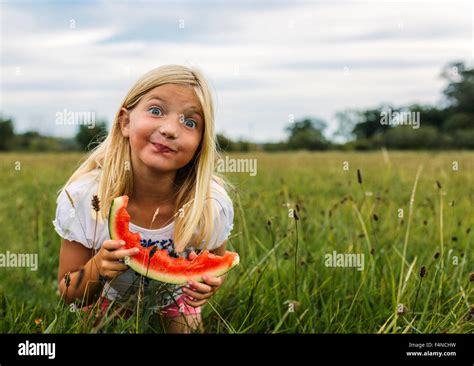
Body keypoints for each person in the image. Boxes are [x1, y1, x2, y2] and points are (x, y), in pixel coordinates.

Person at [53, 65, 235, 333]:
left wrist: (207, 285)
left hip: (175, 299)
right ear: (125, 122)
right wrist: (97, 269)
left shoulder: (210, 203)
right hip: (105, 298)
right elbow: (67, 292)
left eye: (190, 122)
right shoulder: (85, 197)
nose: (171, 129)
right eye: (156, 111)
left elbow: (217, 264)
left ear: (200, 143)